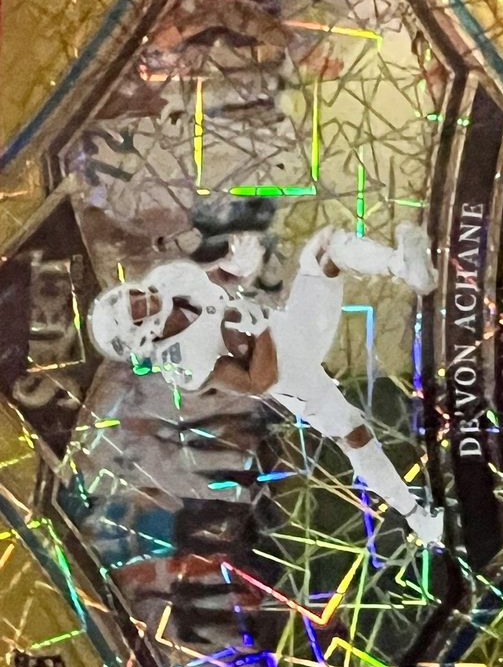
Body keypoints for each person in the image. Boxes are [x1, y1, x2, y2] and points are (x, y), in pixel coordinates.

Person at [88, 223, 444, 544]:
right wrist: (259, 331)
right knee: (354, 433)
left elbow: (211, 281)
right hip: (288, 371)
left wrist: (235, 266)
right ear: (142, 335)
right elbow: (258, 382)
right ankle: (416, 515)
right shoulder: (183, 362)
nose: (143, 299)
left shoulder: (168, 280)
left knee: (325, 249)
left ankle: (403, 265)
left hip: (292, 327)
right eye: (137, 309)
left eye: (133, 295)